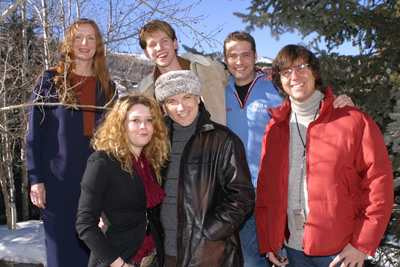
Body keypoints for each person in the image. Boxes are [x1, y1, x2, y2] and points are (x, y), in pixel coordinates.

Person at [223, 31, 355, 267]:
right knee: (249, 260)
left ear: (255, 56)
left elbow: (309, 98)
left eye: (245, 54)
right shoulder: (219, 92)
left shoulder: (274, 88)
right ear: (225, 59)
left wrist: (338, 103)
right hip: (235, 191)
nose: (239, 61)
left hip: (277, 190)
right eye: (233, 56)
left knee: (280, 254)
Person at [255, 44, 394, 267]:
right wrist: (270, 241)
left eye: (301, 67)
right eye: (286, 71)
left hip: (340, 252)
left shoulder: (352, 120)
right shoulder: (274, 128)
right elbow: (265, 190)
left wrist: (360, 244)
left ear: (315, 73)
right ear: (280, 81)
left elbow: (379, 185)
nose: (295, 76)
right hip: (292, 250)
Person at [26, 19, 115, 267]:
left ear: (98, 45)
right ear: (69, 43)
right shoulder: (49, 81)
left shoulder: (108, 87)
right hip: (57, 183)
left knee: (95, 252)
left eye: (90, 38)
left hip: (96, 184)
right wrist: (36, 179)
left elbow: (113, 139)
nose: (84, 43)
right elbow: (34, 134)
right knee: (61, 252)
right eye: (78, 37)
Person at [154, 70, 255, 266]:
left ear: (198, 98)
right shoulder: (156, 142)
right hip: (162, 254)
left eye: (187, 97)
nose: (181, 107)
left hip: (207, 255)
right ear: (164, 107)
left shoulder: (224, 139)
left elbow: (242, 197)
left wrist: (209, 233)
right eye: (172, 101)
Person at [76, 95, 170, 267]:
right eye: (135, 120)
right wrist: (120, 265)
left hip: (153, 260)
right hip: (121, 261)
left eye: (149, 120)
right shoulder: (103, 162)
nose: (143, 126)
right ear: (121, 125)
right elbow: (85, 225)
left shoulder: (150, 163)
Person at [137, 20, 229, 125]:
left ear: (175, 44)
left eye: (164, 41)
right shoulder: (145, 92)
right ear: (146, 53)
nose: (159, 48)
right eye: (152, 44)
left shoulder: (209, 69)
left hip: (220, 139)